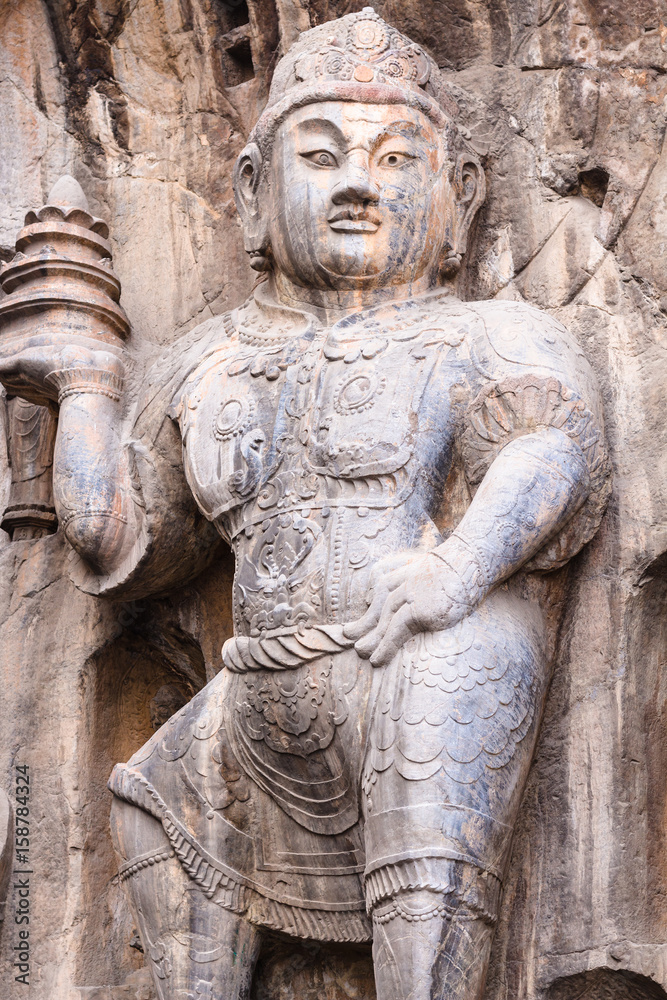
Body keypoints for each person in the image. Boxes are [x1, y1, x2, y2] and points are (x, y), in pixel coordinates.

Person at [0, 10, 609, 1000]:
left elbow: (554, 450)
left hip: (419, 655)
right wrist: (86, 390)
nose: (360, 183)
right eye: (320, 156)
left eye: (397, 158)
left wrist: (455, 569)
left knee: (440, 707)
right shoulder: (211, 361)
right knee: (157, 795)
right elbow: (127, 538)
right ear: (251, 192)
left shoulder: (482, 337)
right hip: (265, 691)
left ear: (458, 198)